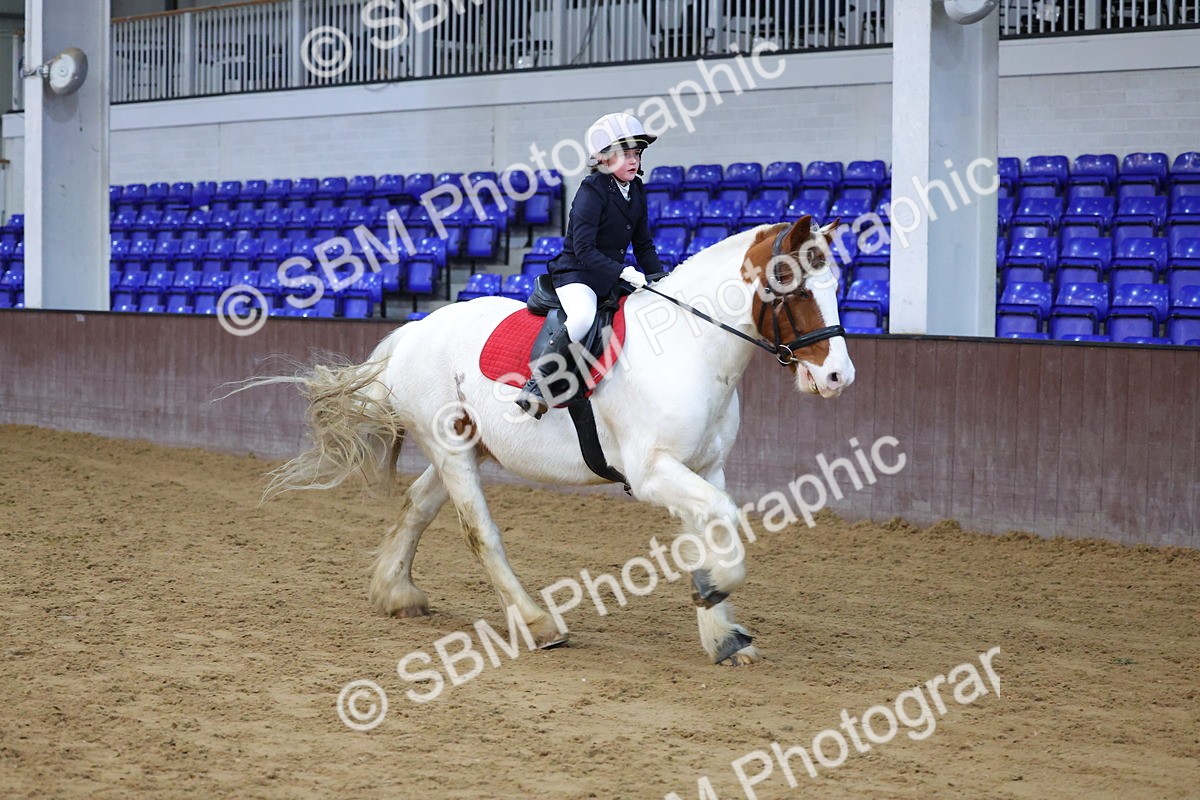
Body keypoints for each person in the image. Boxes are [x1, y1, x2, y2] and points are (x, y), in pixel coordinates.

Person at [515, 112, 666, 419]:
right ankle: (536, 384)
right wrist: (621, 270)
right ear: (604, 157)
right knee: (583, 318)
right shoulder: (592, 190)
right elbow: (583, 249)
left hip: (608, 278)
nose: (633, 160)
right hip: (577, 274)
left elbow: (643, 244)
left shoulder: (636, 189)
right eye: (625, 154)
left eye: (636, 153)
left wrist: (659, 278)